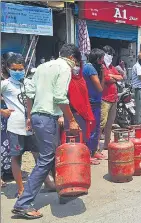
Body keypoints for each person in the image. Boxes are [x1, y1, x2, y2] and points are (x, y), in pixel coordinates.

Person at [12, 44, 81, 219]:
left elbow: (30, 93)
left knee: (52, 156)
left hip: (37, 116)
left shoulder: (42, 67)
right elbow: (59, 96)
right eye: (76, 62)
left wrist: (29, 116)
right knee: (46, 159)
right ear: (72, 58)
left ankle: (63, 191)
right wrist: (71, 119)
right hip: (47, 117)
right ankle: (23, 204)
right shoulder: (64, 68)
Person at [1, 53, 56, 198]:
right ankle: (20, 188)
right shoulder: (5, 84)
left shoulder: (29, 83)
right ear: (8, 68)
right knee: (16, 157)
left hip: (32, 127)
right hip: (15, 127)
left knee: (39, 156)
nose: (18, 72)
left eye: (21, 69)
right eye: (14, 69)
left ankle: (48, 183)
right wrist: (2, 111)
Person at [59, 61, 96, 161]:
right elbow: (60, 98)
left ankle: (82, 158)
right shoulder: (65, 80)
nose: (76, 68)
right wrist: (61, 115)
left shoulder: (82, 80)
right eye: (74, 65)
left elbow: (84, 97)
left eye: (78, 65)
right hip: (70, 114)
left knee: (82, 137)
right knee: (71, 138)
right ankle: (71, 160)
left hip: (82, 114)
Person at [83, 48, 106, 163]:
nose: (103, 61)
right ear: (97, 59)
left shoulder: (89, 67)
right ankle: (88, 154)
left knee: (96, 128)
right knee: (91, 129)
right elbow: (100, 88)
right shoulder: (90, 68)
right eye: (102, 59)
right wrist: (103, 74)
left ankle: (94, 151)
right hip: (91, 103)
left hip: (95, 102)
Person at [99, 45, 123, 151]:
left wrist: (113, 77)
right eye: (109, 54)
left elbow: (121, 77)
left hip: (114, 99)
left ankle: (106, 144)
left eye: (112, 55)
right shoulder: (102, 67)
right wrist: (114, 77)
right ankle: (95, 147)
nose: (111, 57)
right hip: (104, 99)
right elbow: (106, 79)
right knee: (101, 124)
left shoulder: (111, 67)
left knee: (109, 124)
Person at [0, 52, 15, 188]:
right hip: (2, 114)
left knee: (7, 145)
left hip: (8, 117)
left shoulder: (10, 78)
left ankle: (7, 170)